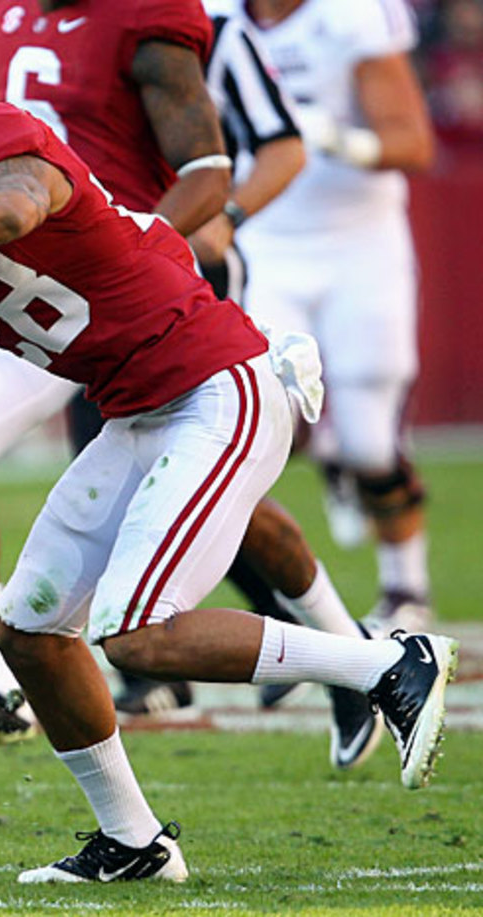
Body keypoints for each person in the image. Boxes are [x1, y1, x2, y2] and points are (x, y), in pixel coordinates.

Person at [0, 86, 458, 883]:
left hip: (214, 386)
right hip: (142, 412)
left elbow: (13, 212)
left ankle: (386, 664)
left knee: (141, 632)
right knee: (28, 633)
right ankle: (134, 840)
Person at [0, 0, 236, 741]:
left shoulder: (146, 16)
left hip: (118, 284)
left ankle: (340, 643)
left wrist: (137, 245)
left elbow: (208, 174)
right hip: (30, 285)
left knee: (189, 477)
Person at [234, 0, 438, 637]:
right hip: (264, 238)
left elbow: (415, 142)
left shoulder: (352, 15)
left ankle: (407, 587)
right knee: (258, 417)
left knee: (371, 442)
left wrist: (341, 138)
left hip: (360, 241)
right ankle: (291, 602)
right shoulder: (211, 14)